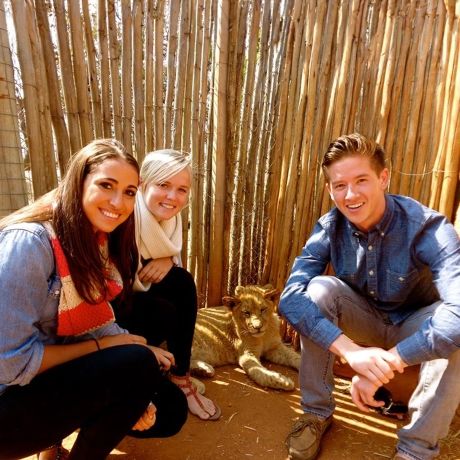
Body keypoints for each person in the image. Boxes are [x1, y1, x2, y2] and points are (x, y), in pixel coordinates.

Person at [0, 139, 188, 460]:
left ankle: (57, 447)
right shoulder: (30, 244)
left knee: (168, 406)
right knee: (136, 365)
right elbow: (10, 365)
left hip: (35, 386)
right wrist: (108, 349)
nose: (119, 202)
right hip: (6, 405)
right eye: (106, 185)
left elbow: (96, 322)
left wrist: (137, 374)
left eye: (130, 191)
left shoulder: (95, 241)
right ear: (79, 182)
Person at [279, 133, 460, 460]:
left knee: (453, 330)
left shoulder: (427, 227)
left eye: (361, 180)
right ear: (329, 190)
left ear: (383, 177)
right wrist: (349, 352)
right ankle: (316, 413)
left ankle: (415, 450)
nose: (350, 195)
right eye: (339, 185)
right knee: (318, 290)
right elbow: (290, 299)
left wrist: (388, 361)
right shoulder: (329, 226)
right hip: (364, 319)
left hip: (414, 324)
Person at [115, 149, 221, 421]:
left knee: (182, 283)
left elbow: (164, 265)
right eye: (163, 185)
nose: (173, 197)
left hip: (135, 301)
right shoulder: (122, 218)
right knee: (162, 312)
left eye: (182, 189)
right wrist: (166, 259)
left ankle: (180, 377)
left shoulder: (170, 221)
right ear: (143, 185)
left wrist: (169, 259)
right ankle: (136, 376)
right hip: (106, 317)